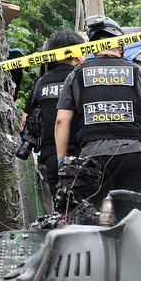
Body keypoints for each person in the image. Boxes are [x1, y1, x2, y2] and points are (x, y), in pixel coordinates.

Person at [53, 16, 141, 219]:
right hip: (134, 154)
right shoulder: (137, 72)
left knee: (97, 217)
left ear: (94, 47)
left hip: (93, 158)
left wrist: (63, 161)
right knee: (140, 218)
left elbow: (61, 121)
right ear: (120, 46)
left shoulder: (76, 74)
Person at [20, 29, 86, 202]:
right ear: (78, 53)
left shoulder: (41, 82)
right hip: (82, 152)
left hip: (51, 154)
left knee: (61, 207)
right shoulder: (82, 79)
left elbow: (25, 119)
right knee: (86, 205)